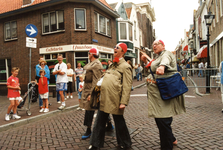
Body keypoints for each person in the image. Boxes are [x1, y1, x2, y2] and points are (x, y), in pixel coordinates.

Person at [140, 39, 186, 150]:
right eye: (153, 44)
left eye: (157, 44)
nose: (154, 46)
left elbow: (165, 60)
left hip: (164, 92)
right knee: (160, 119)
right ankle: (172, 138)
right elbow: (152, 68)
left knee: (163, 120)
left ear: (163, 46)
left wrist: (162, 66)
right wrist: (146, 62)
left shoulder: (166, 54)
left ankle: (167, 146)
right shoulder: (157, 57)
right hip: (158, 94)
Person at [87, 43, 132, 150]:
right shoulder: (112, 65)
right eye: (115, 47)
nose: (114, 48)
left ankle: (125, 143)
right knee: (99, 121)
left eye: (117, 47)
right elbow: (103, 80)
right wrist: (94, 93)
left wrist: (123, 102)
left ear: (123, 51)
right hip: (104, 97)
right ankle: (95, 144)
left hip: (116, 99)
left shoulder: (126, 66)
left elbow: (127, 86)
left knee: (119, 121)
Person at [80, 48, 114, 140]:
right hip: (87, 89)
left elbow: (96, 80)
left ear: (91, 54)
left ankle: (88, 130)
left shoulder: (97, 65)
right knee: (100, 108)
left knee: (89, 109)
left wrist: (92, 94)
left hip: (91, 91)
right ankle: (110, 124)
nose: (88, 54)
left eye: (88, 53)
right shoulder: (91, 63)